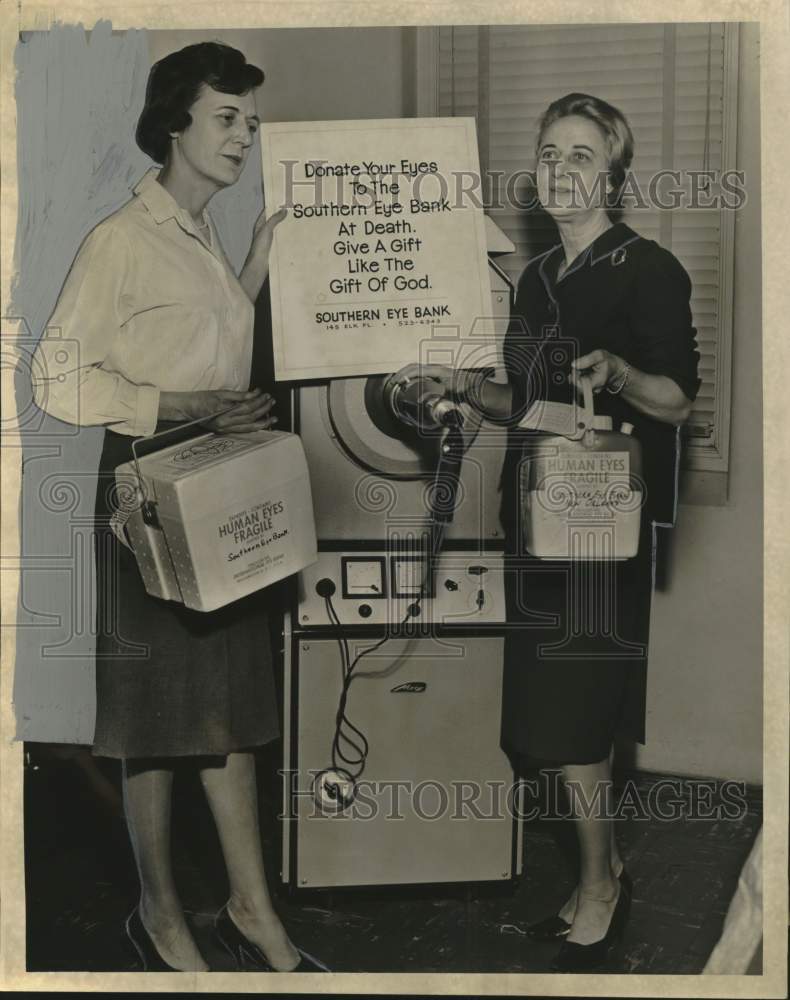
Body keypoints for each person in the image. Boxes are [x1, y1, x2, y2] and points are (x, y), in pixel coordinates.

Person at [31, 42, 326, 974]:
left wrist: (259, 264)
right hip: (148, 491)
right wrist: (180, 408)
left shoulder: (202, 236)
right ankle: (162, 915)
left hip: (221, 477)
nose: (245, 134)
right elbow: (54, 375)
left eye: (251, 119)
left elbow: (201, 342)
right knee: (155, 718)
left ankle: (252, 909)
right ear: (175, 125)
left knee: (229, 707)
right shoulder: (122, 239)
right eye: (226, 118)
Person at [411, 92, 700, 971]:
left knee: (576, 726)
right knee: (546, 725)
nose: (559, 168)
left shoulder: (649, 268)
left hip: (603, 530)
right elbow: (529, 405)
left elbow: (676, 399)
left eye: (580, 153)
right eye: (547, 153)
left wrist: (619, 370)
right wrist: (459, 385)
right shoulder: (535, 281)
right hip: (537, 520)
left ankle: (603, 890)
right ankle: (593, 873)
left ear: (612, 170)